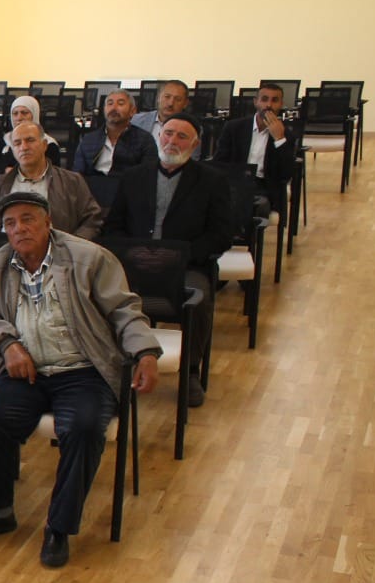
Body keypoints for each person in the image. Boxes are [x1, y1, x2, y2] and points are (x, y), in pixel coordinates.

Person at [0, 192, 162, 569]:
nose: (19, 229)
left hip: (83, 370)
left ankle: (59, 527)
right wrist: (8, 345)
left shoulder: (89, 259)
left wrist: (146, 352)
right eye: (10, 224)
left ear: (48, 221)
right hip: (27, 370)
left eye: (27, 219)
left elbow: (125, 311)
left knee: (83, 428)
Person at [104, 113, 231, 407]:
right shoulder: (134, 177)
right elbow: (114, 226)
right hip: (135, 264)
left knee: (197, 299)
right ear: (159, 135)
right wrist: (132, 253)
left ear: (195, 144)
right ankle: (111, 365)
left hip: (186, 265)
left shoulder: (212, 181)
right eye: (168, 133)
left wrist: (181, 256)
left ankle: (190, 370)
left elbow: (221, 234)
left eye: (182, 136)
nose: (172, 141)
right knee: (102, 294)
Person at [0, 122, 102, 238]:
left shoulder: (72, 181)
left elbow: (92, 219)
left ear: (44, 145)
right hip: (7, 254)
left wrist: (73, 248)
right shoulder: (0, 183)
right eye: (17, 143)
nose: (23, 147)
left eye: (30, 140)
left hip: (57, 256)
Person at [214, 81, 297, 216]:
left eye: (274, 100)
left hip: (264, 187)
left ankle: (243, 236)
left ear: (281, 104)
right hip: (235, 182)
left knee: (254, 205)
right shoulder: (234, 128)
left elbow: (286, 174)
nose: (268, 105)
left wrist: (279, 139)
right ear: (255, 102)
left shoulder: (286, 134)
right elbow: (220, 162)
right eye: (264, 99)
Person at [72, 90, 157, 176]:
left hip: (128, 186)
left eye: (120, 104)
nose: (114, 108)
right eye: (110, 103)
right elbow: (77, 175)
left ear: (132, 111)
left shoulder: (145, 140)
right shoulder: (89, 140)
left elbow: (148, 176)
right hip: (93, 186)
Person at [0, 95, 62, 172]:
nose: (19, 118)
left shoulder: (49, 145)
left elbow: (53, 174)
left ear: (35, 114)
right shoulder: (5, 140)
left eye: (24, 113)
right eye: (15, 113)